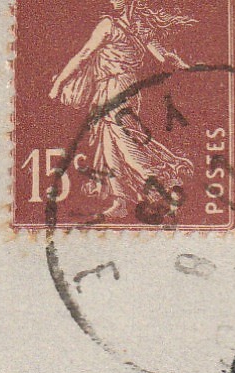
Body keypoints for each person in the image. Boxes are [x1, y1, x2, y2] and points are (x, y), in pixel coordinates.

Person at [49, 0, 196, 218]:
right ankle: (120, 200)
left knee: (125, 142)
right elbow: (164, 57)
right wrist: (182, 65)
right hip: (126, 88)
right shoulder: (139, 28)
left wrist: (58, 84)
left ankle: (158, 183)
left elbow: (83, 55)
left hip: (115, 88)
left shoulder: (110, 25)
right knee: (110, 143)